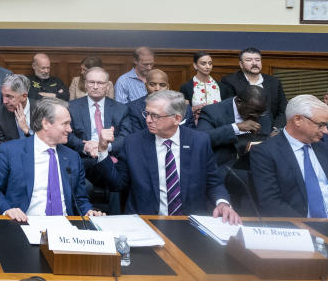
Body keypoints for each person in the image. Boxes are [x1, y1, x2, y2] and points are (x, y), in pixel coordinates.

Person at [96, 90, 241, 223]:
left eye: (155, 116)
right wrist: (102, 150)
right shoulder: (133, 143)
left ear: (177, 119)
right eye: (147, 114)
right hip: (145, 222)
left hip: (189, 223)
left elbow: (213, 181)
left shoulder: (199, 141)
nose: (148, 120)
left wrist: (222, 203)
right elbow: (117, 184)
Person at [0, 99, 104, 220]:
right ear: (46, 123)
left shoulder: (72, 157)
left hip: (65, 228)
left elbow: (80, 199)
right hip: (24, 223)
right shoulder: (11, 151)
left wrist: (88, 212)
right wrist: (7, 210)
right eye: (65, 124)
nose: (70, 129)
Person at [250, 95, 328, 218]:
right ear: (298, 120)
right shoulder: (265, 153)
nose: (326, 131)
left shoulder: (326, 149)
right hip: (302, 226)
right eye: (321, 125)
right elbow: (271, 203)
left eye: (327, 125)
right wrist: (307, 228)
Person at [197, 85, 272, 170]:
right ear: (238, 102)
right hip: (224, 168)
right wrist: (236, 128)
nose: (257, 116)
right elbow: (201, 139)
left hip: (258, 167)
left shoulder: (260, 110)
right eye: (252, 113)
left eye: (260, 113)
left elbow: (265, 137)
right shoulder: (212, 111)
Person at [67, 67, 129, 159]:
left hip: (111, 157)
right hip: (81, 157)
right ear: (85, 84)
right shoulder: (71, 107)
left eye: (100, 83)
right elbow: (67, 134)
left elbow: (126, 136)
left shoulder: (121, 109)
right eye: (91, 82)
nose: (95, 87)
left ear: (107, 86)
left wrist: (105, 148)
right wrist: (84, 146)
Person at [220, 48, 288, 128]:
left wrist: (276, 129)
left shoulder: (274, 82)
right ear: (241, 64)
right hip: (244, 129)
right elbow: (229, 112)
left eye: (257, 60)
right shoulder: (230, 81)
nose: (254, 63)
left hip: (271, 130)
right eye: (249, 60)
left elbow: (283, 110)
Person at [123, 69, 192, 134]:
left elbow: (191, 134)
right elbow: (136, 137)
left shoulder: (184, 107)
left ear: (168, 87)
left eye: (162, 85)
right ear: (146, 86)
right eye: (152, 85)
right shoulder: (133, 108)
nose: (157, 89)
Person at [179, 51, 222, 124]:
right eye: (203, 63)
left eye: (210, 63)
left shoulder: (222, 87)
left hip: (218, 124)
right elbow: (183, 112)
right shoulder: (186, 87)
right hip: (195, 125)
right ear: (195, 66)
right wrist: (193, 109)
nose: (208, 67)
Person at [0, 74, 32, 150]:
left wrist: (27, 131)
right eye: (3, 96)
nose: (4, 101)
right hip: (11, 159)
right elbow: (1, 149)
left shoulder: (41, 110)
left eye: (9, 96)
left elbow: (45, 143)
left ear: (24, 96)